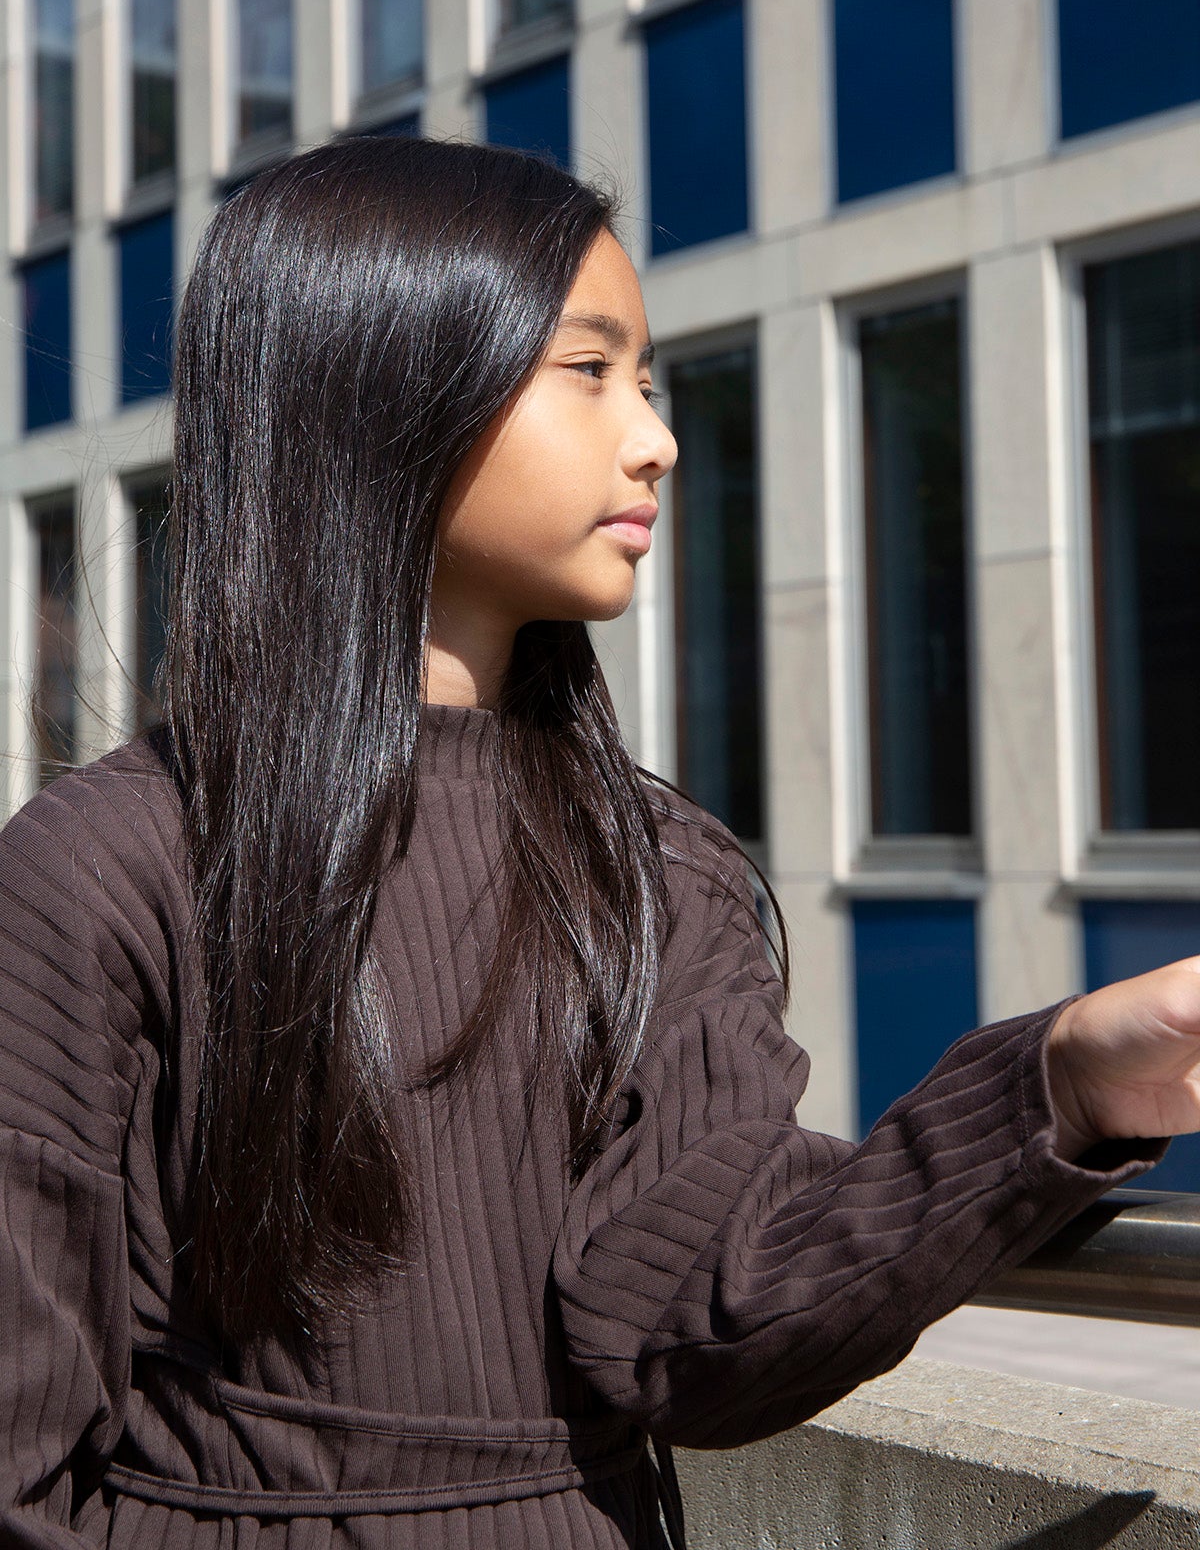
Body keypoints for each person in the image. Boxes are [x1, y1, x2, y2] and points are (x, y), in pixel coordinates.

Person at [0, 135, 1195, 1550]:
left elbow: (709, 1319)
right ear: (388, 382)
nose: (657, 438)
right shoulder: (104, 866)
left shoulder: (655, 863)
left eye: (649, 380)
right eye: (589, 370)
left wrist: (1063, 1083)